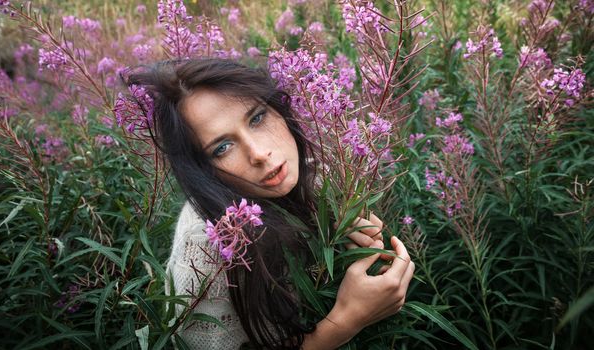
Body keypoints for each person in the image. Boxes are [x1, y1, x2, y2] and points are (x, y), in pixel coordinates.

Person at [127, 58, 414, 349]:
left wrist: (358, 247)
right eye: (222, 148)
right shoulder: (205, 245)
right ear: (203, 171)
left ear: (280, 110)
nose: (259, 153)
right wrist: (346, 320)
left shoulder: (319, 179)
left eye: (257, 118)